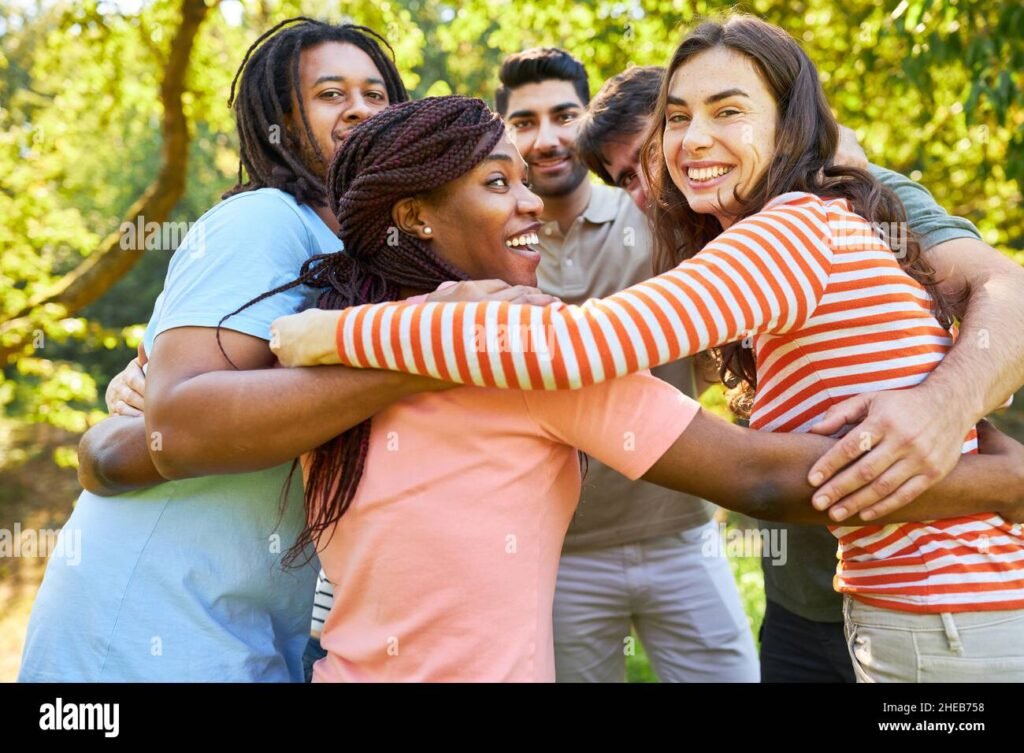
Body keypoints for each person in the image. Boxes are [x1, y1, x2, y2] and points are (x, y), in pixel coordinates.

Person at [271, 16, 1024, 682]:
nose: (693, 141)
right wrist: (1000, 482)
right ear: (414, 216)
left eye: (729, 112)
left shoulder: (791, 231)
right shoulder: (769, 243)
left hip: (945, 618)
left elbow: (575, 345)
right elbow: (753, 466)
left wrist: (327, 334)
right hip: (930, 615)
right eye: (679, 117)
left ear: (791, 127)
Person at [17, 18, 447, 683]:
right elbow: (181, 421)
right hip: (148, 627)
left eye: (375, 92)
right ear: (280, 119)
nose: (360, 107)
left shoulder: (365, 262)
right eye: (331, 94)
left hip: (249, 628)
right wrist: (418, 358)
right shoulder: (264, 218)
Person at [575, 64, 1024, 682]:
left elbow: (1006, 292)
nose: (650, 183)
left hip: (942, 602)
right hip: (814, 596)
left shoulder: (852, 201)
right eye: (625, 177)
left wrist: (950, 415)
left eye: (651, 153)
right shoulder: (699, 244)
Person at [493, 48, 756, 682]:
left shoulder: (657, 209)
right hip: (560, 550)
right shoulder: (492, 241)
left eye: (564, 115)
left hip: (680, 530)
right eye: (524, 122)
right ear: (504, 134)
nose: (548, 137)